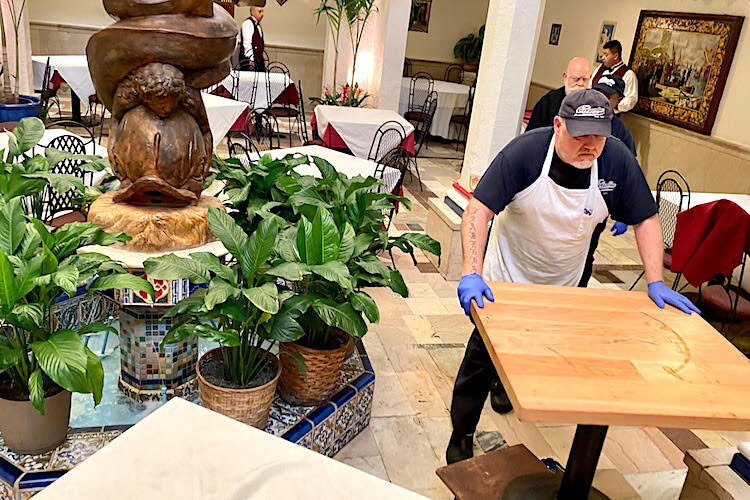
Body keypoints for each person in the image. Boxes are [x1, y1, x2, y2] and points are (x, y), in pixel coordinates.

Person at [446, 90, 699, 465]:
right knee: (479, 362)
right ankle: (461, 434)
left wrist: (655, 281)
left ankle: (506, 387)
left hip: (566, 286)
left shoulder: (616, 161)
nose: (590, 145)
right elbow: (479, 210)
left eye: (598, 135)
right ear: (558, 125)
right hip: (505, 283)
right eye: (580, 135)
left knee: (539, 353)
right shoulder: (525, 153)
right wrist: (471, 272)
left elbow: (646, 218)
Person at [578, 74, 638, 287]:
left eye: (609, 96)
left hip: (599, 200)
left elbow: (628, 174)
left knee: (587, 250)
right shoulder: (579, 118)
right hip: (571, 193)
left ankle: (578, 291)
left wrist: (623, 214)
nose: (603, 99)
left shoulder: (621, 132)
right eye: (600, 93)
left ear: (618, 100)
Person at [526, 57, 591, 131]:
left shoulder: (595, 103)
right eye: (576, 79)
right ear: (565, 77)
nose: (581, 83)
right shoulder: (548, 102)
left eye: (585, 79)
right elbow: (532, 135)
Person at [592, 40, 638, 113]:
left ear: (616, 56)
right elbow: (590, 85)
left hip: (610, 116)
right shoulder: (600, 68)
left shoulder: (628, 74)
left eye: (606, 55)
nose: (603, 58)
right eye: (603, 55)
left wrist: (613, 104)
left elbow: (631, 99)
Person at [239, 6, 265, 71]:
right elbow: (247, 43)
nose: (262, 14)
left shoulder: (258, 25)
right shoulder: (248, 23)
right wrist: (251, 60)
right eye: (259, 11)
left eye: (262, 11)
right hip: (249, 61)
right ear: (252, 12)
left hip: (258, 61)